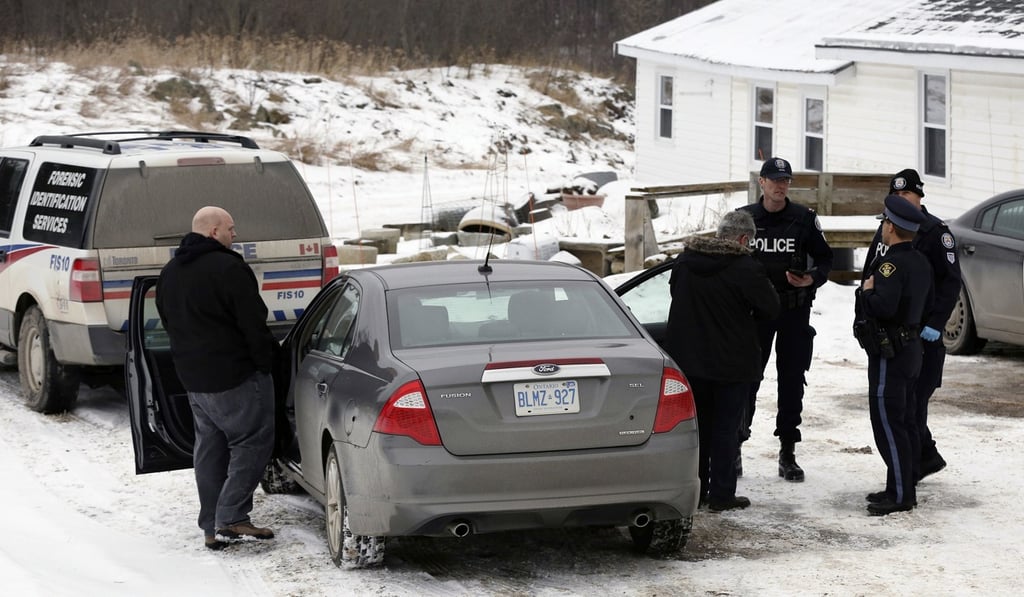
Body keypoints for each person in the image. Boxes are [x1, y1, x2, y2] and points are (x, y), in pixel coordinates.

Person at [156, 206, 277, 550]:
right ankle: (233, 518)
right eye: (230, 228)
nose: (234, 234)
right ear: (213, 232)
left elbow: (168, 321)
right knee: (251, 442)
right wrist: (264, 363)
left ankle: (211, 525)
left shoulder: (169, 272)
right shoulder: (229, 268)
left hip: (194, 380)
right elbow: (253, 322)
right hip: (235, 376)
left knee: (209, 448)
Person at [666, 211, 780, 512]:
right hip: (732, 364)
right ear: (743, 239)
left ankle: (698, 488)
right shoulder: (746, 268)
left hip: (690, 363)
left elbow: (674, 294)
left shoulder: (686, 262)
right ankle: (722, 494)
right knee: (726, 430)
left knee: (698, 427)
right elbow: (771, 307)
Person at [860, 169, 961, 483]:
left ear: (920, 197)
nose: (903, 200)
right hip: (890, 333)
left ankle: (909, 472)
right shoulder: (887, 228)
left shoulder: (935, 233)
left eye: (908, 195)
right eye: (897, 196)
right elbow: (871, 272)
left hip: (922, 334)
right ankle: (920, 460)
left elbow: (951, 282)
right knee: (900, 405)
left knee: (912, 404)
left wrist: (935, 324)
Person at [737, 157, 834, 482]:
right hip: (755, 314)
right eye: (775, 180)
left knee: (791, 380)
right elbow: (728, 258)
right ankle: (735, 445)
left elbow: (825, 258)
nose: (781, 186)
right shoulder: (745, 218)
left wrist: (812, 279)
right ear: (761, 182)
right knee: (747, 378)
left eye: (786, 180)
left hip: (793, 310)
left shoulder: (804, 219)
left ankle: (788, 450)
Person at [854, 194, 933, 515]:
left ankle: (902, 494)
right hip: (911, 347)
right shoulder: (920, 261)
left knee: (888, 423)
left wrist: (868, 292)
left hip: (892, 352)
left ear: (892, 227)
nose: (883, 228)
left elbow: (884, 307)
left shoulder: (890, 265)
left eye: (885, 223)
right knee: (904, 421)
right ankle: (899, 485)